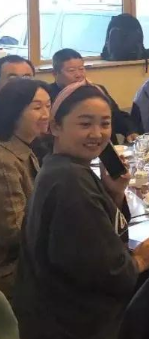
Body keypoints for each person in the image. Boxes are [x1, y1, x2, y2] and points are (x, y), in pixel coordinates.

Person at [13, 81, 149, 339]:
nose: (97, 133)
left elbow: (87, 240)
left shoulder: (61, 167)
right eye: (85, 124)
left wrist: (114, 193)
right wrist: (138, 262)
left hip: (51, 313)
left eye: (105, 124)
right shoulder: (69, 181)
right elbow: (108, 273)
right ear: (56, 126)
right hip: (77, 323)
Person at [0, 79, 50, 298]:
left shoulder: (24, 148)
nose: (46, 114)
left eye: (48, 105)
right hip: (14, 271)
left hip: (30, 257)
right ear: (14, 111)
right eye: (37, 108)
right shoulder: (5, 161)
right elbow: (15, 231)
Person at [48, 48, 139, 143]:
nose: (79, 75)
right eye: (71, 71)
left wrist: (131, 131)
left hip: (104, 146)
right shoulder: (47, 95)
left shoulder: (96, 90)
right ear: (55, 73)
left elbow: (116, 116)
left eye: (81, 69)